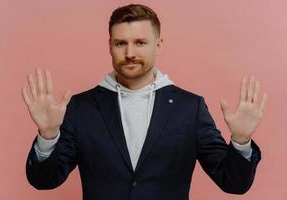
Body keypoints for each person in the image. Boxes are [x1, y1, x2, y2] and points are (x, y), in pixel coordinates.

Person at [22, 4, 267, 200]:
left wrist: (241, 142)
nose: (130, 53)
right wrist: (48, 135)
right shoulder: (81, 108)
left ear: (158, 45)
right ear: (110, 47)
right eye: (121, 43)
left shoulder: (189, 108)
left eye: (140, 42)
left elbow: (233, 184)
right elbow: (44, 181)